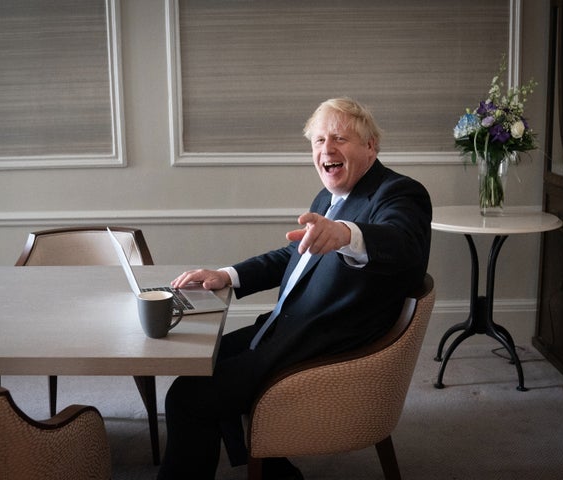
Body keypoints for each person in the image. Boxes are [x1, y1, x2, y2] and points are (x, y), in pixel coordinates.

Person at [157, 97, 432, 480]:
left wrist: (345, 234)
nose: (326, 150)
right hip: (288, 331)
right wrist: (228, 276)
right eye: (318, 141)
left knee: (187, 397)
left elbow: (402, 244)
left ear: (371, 146)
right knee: (200, 363)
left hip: (320, 349)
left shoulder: (399, 193)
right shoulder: (328, 197)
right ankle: (272, 466)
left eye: (339, 138)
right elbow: (295, 254)